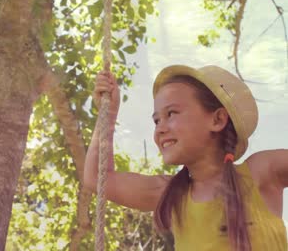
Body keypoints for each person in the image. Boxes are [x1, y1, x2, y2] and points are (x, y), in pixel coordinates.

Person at [84, 65, 288, 251]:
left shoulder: (260, 172)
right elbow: (96, 178)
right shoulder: (172, 193)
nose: (160, 129)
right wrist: (108, 114)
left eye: (171, 113)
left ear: (217, 119)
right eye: (156, 121)